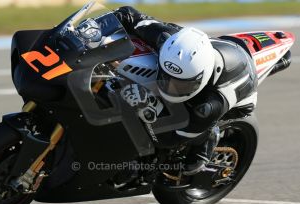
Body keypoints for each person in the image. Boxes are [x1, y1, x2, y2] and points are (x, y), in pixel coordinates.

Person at [110, 6, 258, 175]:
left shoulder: (211, 103)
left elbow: (169, 139)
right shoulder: (166, 40)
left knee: (192, 158)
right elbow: (129, 14)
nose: (171, 88)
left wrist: (146, 109)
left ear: (200, 79)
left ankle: (207, 141)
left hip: (235, 90)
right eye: (167, 78)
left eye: (181, 85)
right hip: (211, 49)